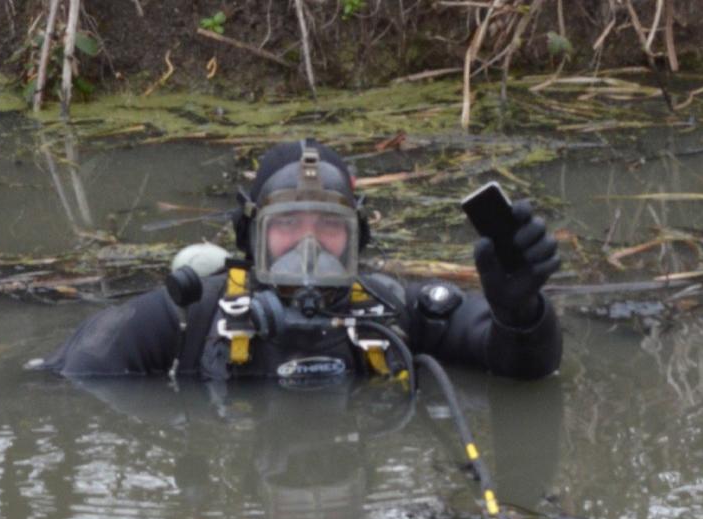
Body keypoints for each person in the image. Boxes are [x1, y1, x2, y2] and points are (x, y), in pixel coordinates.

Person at [36, 139, 562, 382]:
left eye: (329, 227)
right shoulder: (190, 318)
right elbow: (70, 377)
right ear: (251, 237)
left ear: (358, 238)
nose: (308, 247)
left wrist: (521, 312)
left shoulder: (393, 311)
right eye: (287, 225)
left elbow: (525, 370)